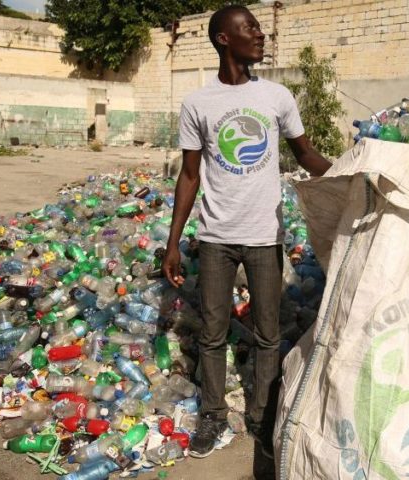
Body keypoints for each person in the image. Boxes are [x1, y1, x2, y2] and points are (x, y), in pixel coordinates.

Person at [161, 4, 332, 461]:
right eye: (249, 28)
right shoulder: (198, 103)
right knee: (213, 334)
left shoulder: (277, 97)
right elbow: (189, 175)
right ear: (223, 38)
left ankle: (262, 415)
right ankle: (213, 415)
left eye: (257, 27)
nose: (259, 35)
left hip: (264, 235)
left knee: (267, 333)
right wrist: (173, 241)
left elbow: (306, 156)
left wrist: (355, 172)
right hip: (216, 236)